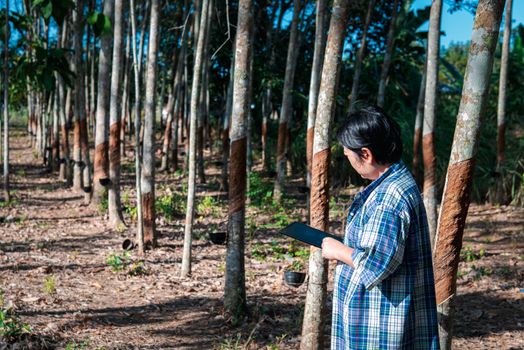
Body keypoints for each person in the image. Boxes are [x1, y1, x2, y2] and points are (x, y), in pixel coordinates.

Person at [321, 106, 439, 349]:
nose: (347, 158)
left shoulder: (390, 197)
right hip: (377, 317)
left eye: (348, 154)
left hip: (379, 325)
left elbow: (377, 264)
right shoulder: (392, 183)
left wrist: (337, 250)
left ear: (366, 154)